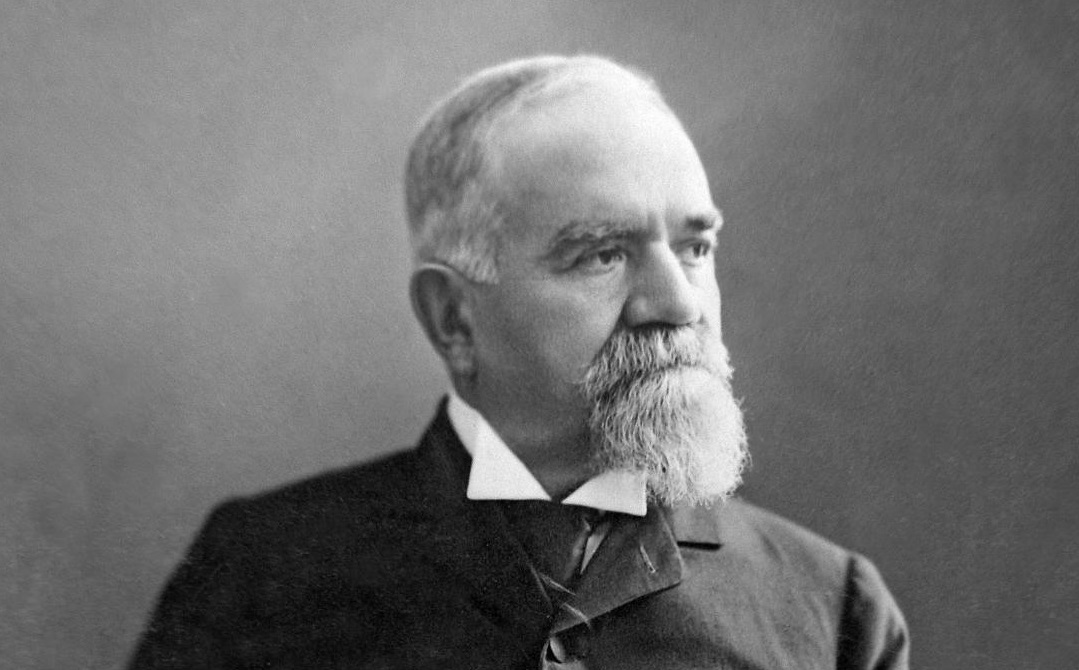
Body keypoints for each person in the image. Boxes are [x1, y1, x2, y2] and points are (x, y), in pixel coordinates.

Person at [129, 54, 909, 670]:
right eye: (603, 254)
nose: (678, 303)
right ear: (453, 318)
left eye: (695, 248)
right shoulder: (261, 573)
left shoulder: (832, 609)